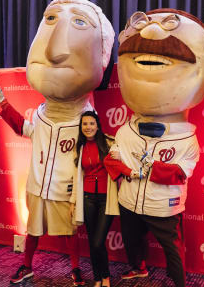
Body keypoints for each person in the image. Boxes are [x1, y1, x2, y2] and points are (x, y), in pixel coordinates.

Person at [0, 0, 115, 286]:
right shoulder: (42, 116)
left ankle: (74, 268)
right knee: (33, 229)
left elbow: (94, 156)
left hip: (63, 188)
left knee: (69, 232)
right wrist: (3, 102)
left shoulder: (86, 121)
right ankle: (27, 265)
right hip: (37, 184)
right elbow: (24, 127)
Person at [104, 8, 204, 287]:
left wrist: (149, 169)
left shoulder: (186, 138)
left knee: (172, 248)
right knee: (132, 239)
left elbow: (181, 172)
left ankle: (179, 281)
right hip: (131, 200)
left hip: (164, 206)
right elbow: (113, 158)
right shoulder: (126, 130)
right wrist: (130, 172)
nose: (153, 31)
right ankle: (137, 267)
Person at [70, 111, 117, 287]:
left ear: (97, 125)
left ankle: (105, 275)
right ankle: (99, 278)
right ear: (81, 128)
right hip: (87, 198)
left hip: (106, 198)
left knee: (98, 241)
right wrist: (73, 201)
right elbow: (76, 176)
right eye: (84, 124)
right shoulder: (80, 147)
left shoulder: (109, 142)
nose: (88, 127)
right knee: (92, 241)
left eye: (91, 123)